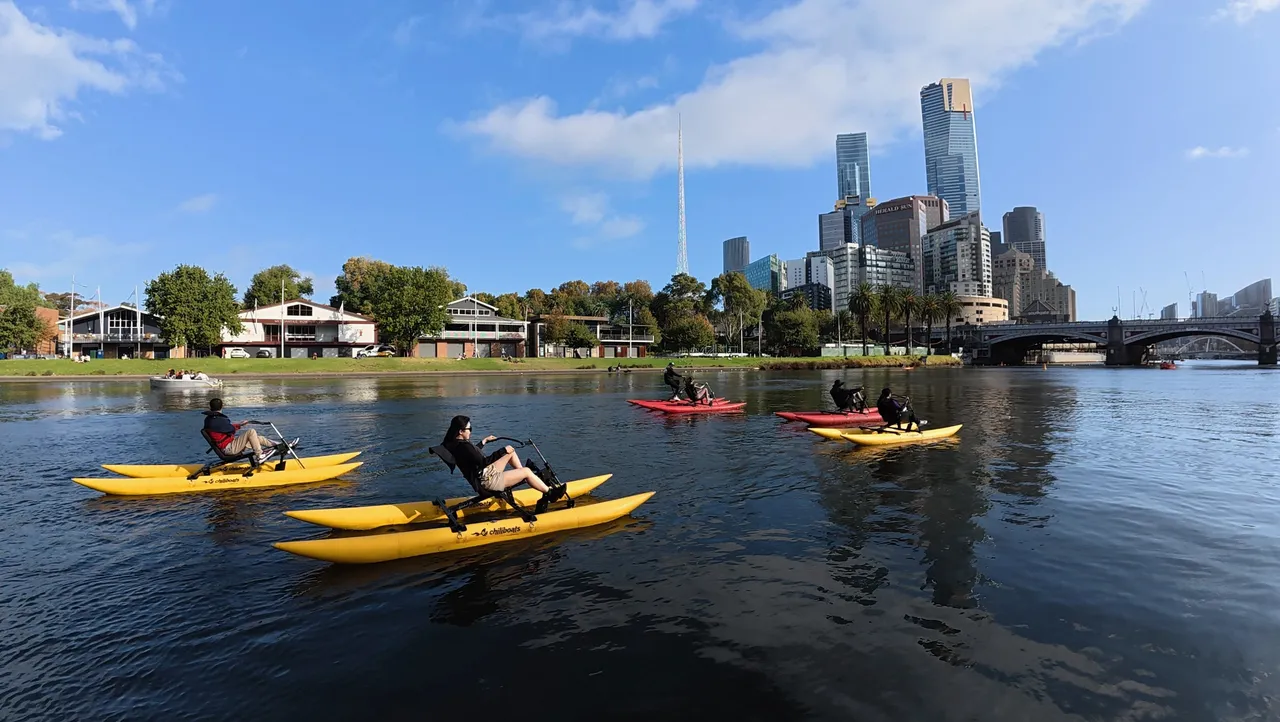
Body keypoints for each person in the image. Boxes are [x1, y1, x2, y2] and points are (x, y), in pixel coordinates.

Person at [439, 415, 552, 497]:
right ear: (460, 431)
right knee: (527, 471)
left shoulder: (457, 444)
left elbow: (472, 456)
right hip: (488, 481)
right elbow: (484, 462)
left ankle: (526, 476)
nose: (470, 432)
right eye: (469, 429)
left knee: (510, 452)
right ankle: (550, 493)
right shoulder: (464, 446)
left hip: (484, 474)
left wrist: (484, 441)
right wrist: (502, 450)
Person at [201, 398, 297, 463]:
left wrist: (240, 425)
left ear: (210, 407)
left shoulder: (211, 419)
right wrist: (238, 426)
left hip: (230, 445)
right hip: (229, 449)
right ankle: (259, 456)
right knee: (251, 432)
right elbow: (230, 430)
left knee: (258, 438)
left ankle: (281, 446)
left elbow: (227, 428)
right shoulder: (217, 420)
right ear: (222, 406)